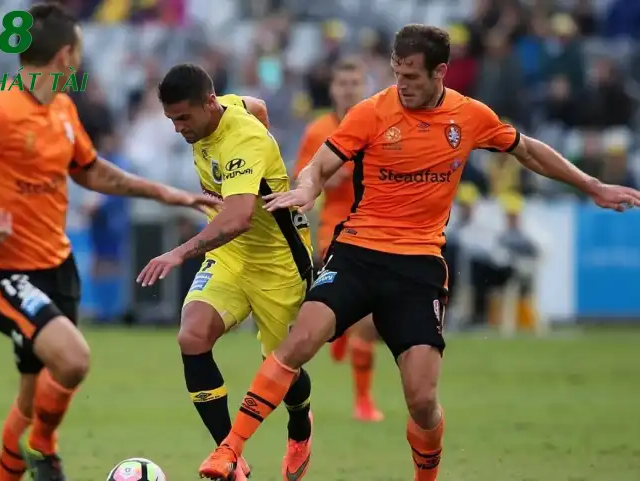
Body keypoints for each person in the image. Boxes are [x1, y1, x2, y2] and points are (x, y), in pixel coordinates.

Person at [198, 24, 640, 481]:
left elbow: (526, 150)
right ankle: (229, 451)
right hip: (357, 253)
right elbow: (321, 163)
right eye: (397, 74)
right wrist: (308, 189)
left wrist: (591, 184)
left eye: (411, 76)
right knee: (298, 343)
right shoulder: (372, 112)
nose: (402, 85)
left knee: (423, 401)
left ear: (440, 72)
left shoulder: (468, 116)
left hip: (418, 268)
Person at [0, 5, 218, 481]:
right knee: (73, 360)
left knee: (31, 399)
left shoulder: (62, 110)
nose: (80, 58)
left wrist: (168, 194)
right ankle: (45, 447)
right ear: (64, 55)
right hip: (4, 272)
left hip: (58, 269)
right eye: (78, 49)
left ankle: (18, 462)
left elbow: (91, 171)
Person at [136, 64, 315, 481]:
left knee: (282, 368)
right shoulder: (228, 108)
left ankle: (300, 426)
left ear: (208, 103)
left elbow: (238, 218)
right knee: (192, 336)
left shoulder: (243, 139)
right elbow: (258, 105)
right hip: (231, 255)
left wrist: (178, 253)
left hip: (278, 262)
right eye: (171, 119)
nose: (179, 128)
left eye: (184, 117)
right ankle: (229, 456)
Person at [294, 57, 383, 422]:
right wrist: (334, 176)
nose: (348, 90)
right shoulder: (319, 130)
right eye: (342, 83)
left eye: (354, 83)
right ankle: (363, 401)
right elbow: (303, 175)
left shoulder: (379, 124)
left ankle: (343, 332)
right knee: (366, 314)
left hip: (377, 228)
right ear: (332, 89)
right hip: (335, 228)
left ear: (364, 86)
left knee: (366, 316)